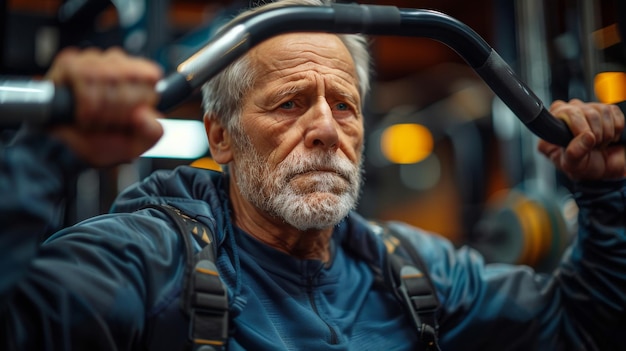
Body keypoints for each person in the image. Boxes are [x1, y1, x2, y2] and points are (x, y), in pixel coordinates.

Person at [1, 0, 625, 350]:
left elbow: (584, 327)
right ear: (221, 136)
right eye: (290, 103)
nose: (328, 128)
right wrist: (42, 154)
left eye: (345, 105)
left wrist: (606, 194)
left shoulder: (413, 270)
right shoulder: (147, 260)